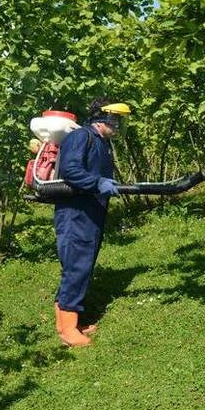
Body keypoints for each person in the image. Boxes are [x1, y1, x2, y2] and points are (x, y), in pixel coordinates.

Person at [52, 97, 131, 347]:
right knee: (76, 265)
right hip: (75, 213)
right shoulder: (81, 137)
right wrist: (97, 183)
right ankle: (68, 330)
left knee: (82, 265)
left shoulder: (102, 142)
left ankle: (68, 321)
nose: (118, 125)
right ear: (101, 117)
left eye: (120, 120)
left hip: (91, 212)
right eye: (115, 119)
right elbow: (71, 170)